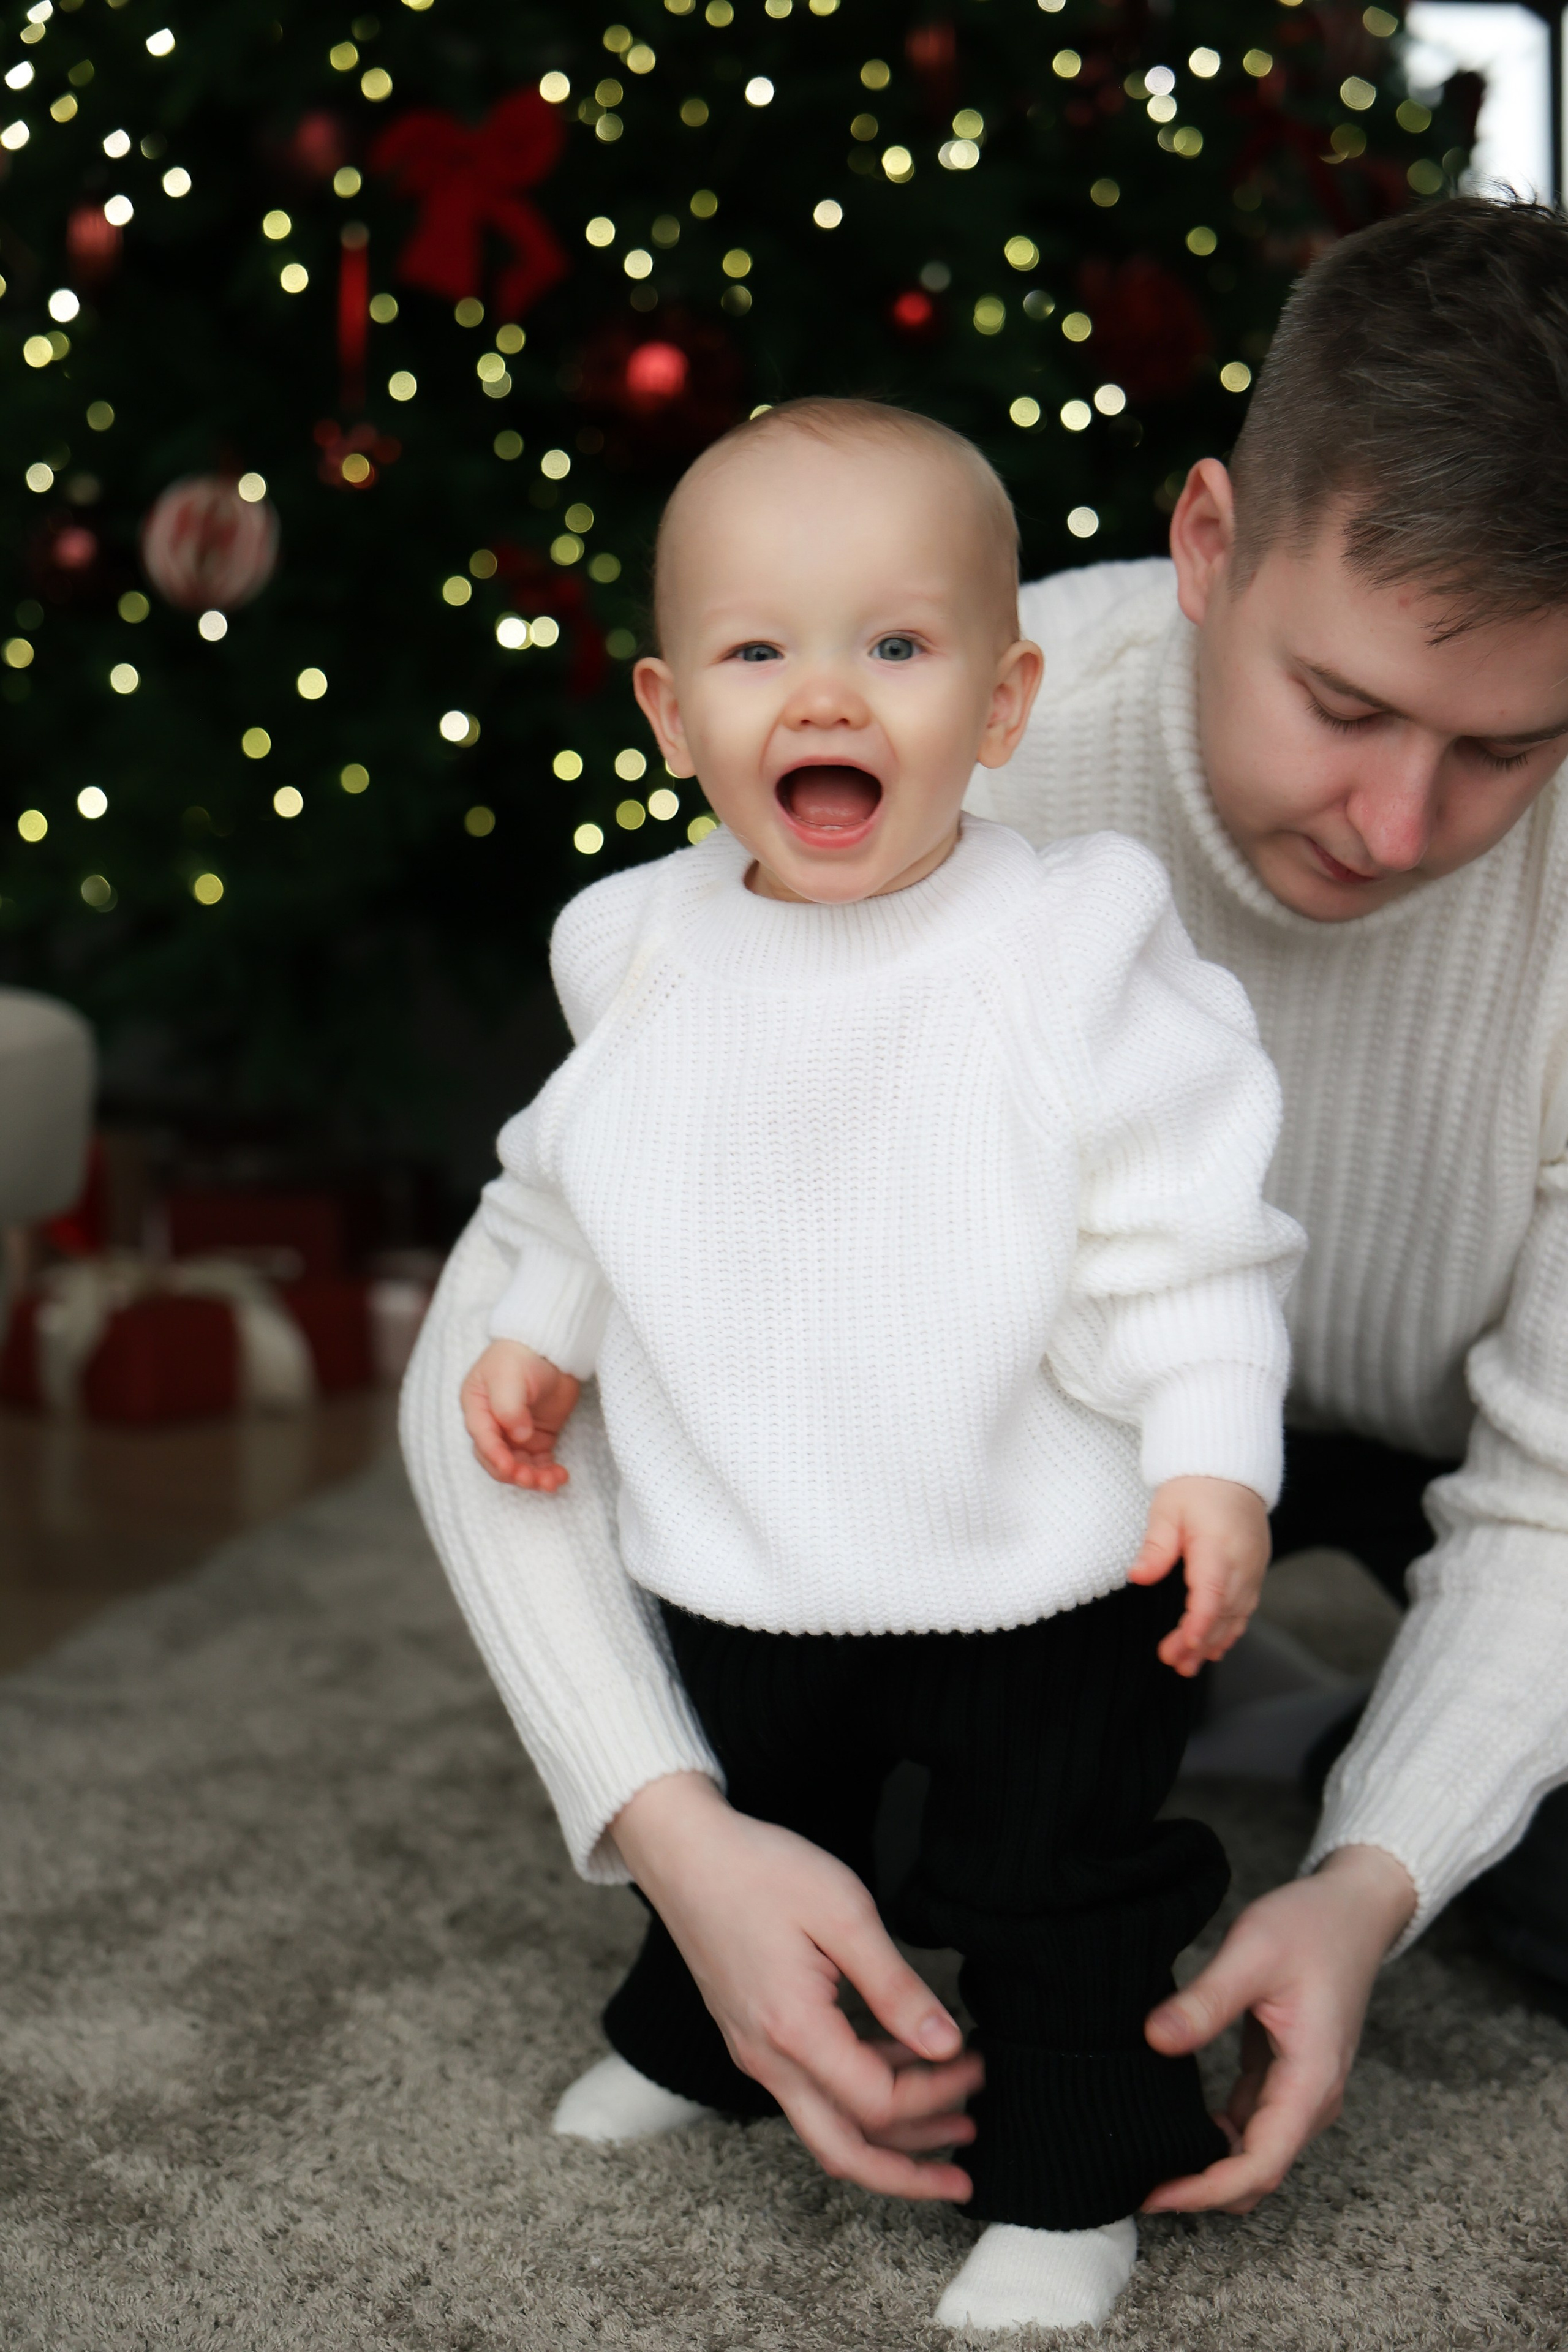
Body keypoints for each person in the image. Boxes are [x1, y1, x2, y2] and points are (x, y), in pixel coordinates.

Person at [401, 193, 1568, 2243]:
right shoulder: (924, 714)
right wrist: (675, 1832)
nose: (1400, 827)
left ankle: (1306, 1730)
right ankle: (1220, 1703)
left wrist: (1372, 1879)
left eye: (1507, 750)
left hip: (1413, 1425)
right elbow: (515, 1320)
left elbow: (1557, 1500)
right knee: (898, 1779)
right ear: (1208, 547)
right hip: (1032, 1426)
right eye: (1346, 704)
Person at [435, 396, 1305, 2330]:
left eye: (896, 649)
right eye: (761, 652)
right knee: (760, 1823)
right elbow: (581, 1174)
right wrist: (537, 1332)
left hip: (1045, 1557)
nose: (825, 696)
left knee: (1054, 1878)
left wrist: (1214, 1450)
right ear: (670, 717)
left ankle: (1079, 2164)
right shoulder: (635, 944)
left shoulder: (1066, 945)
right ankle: (712, 2037)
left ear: (1001, 708)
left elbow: (1189, 1224)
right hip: (748, 1540)